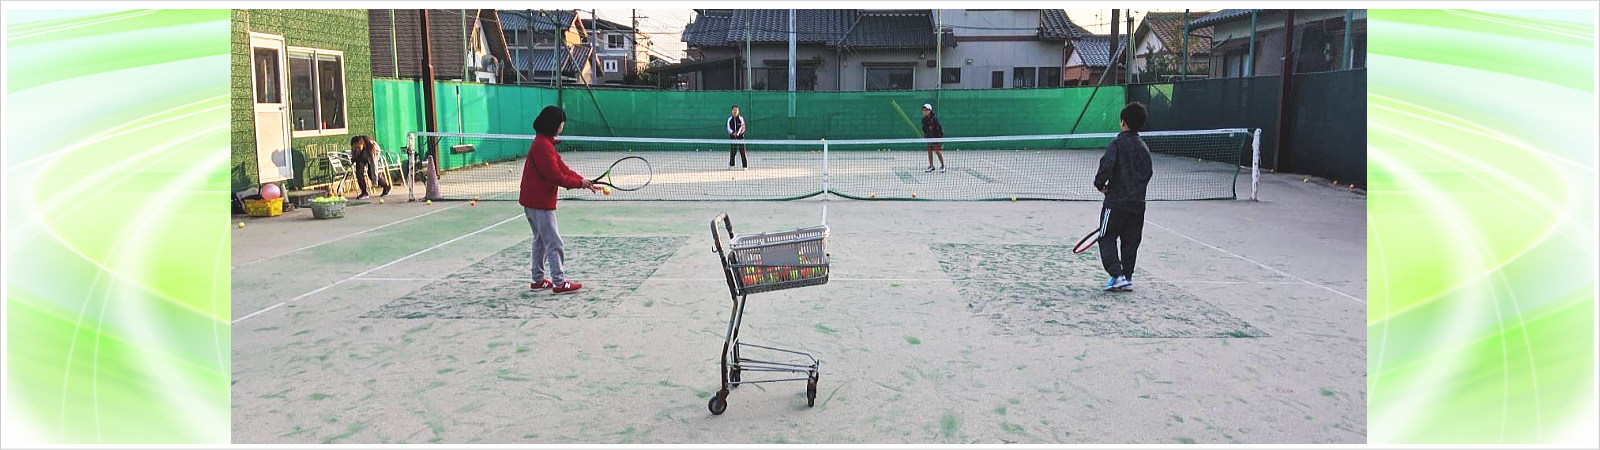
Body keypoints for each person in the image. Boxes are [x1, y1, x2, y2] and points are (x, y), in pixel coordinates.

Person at [521, 106, 603, 294]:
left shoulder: (545, 143)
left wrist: (583, 181)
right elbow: (556, 176)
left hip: (532, 200)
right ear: (554, 125)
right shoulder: (543, 146)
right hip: (539, 202)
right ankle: (559, 282)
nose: (563, 125)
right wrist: (579, 184)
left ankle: (538, 280)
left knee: (540, 241)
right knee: (553, 242)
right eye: (561, 123)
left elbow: (562, 168)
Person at [1093, 102, 1153, 292]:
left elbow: (1106, 166)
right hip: (1137, 205)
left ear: (1122, 122)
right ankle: (1126, 277)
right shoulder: (1144, 147)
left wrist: (1100, 185)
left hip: (1116, 203)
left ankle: (1117, 275)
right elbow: (1148, 172)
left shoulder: (1117, 144)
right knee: (1131, 242)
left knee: (1106, 237)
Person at [921, 103, 945, 173]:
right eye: (924, 110)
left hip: (936, 138)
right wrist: (926, 136)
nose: (924, 111)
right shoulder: (924, 120)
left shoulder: (934, 119)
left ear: (930, 111)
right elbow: (925, 129)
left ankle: (943, 166)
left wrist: (940, 140)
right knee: (929, 151)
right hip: (929, 138)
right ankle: (931, 166)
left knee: (937, 151)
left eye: (926, 110)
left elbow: (939, 129)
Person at [727, 105, 748, 170]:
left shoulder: (741, 118)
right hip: (732, 137)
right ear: (731, 111)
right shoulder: (729, 119)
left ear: (738, 111)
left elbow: (743, 127)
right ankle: (731, 165)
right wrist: (733, 133)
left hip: (740, 136)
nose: (735, 111)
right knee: (733, 151)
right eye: (733, 110)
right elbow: (728, 128)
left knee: (742, 151)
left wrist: (738, 133)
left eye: (736, 110)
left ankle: (745, 166)